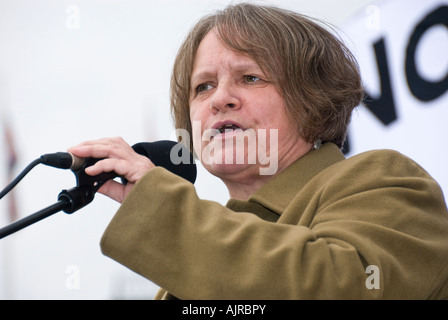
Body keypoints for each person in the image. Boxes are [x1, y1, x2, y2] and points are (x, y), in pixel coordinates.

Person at [69, 3, 448, 299]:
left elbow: (339, 287)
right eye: (202, 87)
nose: (219, 99)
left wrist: (161, 208)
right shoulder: (186, 266)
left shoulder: (388, 179)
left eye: (250, 78)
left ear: (311, 101)